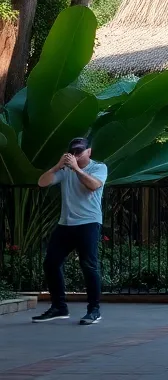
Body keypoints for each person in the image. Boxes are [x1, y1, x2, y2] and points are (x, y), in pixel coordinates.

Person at [33, 137, 107, 324]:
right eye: (73, 152)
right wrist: (58, 166)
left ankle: (94, 310)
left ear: (89, 151)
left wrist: (76, 169)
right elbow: (42, 182)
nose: (76, 155)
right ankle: (59, 307)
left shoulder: (98, 168)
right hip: (65, 223)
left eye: (80, 152)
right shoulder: (64, 169)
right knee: (51, 263)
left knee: (88, 265)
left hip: (89, 223)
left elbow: (93, 185)